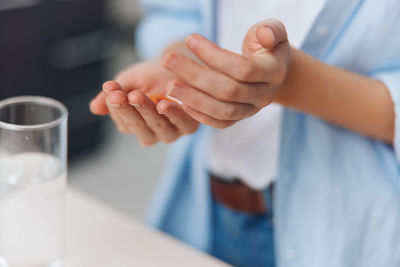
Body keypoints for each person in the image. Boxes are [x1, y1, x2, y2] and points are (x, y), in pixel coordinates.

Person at [91, 0, 400, 266]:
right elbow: (173, 12)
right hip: (207, 207)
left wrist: (293, 83)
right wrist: (183, 65)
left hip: (351, 233)